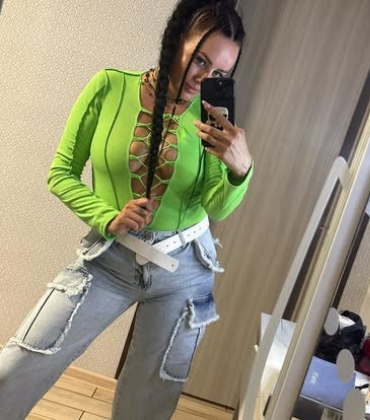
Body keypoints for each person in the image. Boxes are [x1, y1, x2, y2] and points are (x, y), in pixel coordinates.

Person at [0, 0, 253, 418]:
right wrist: (107, 216)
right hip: (110, 259)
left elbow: (216, 206)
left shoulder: (210, 119)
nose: (205, 79)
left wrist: (240, 171)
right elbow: (61, 173)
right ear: (175, 40)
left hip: (186, 270)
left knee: (148, 402)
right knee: (20, 363)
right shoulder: (110, 87)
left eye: (219, 73)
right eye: (200, 60)